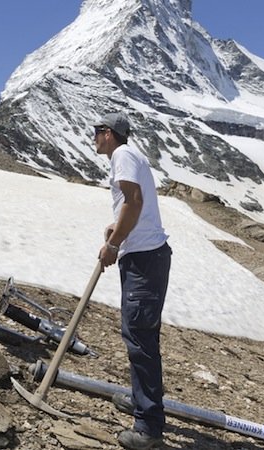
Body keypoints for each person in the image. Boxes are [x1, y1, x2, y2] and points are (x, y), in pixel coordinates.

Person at [93, 112, 172, 450]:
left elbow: (134, 201)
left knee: (139, 338)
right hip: (146, 255)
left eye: (96, 131)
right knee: (141, 335)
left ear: (109, 133)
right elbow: (132, 205)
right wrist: (117, 229)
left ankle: (149, 428)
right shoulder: (132, 155)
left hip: (143, 258)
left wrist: (113, 244)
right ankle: (143, 401)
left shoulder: (122, 155)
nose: (93, 137)